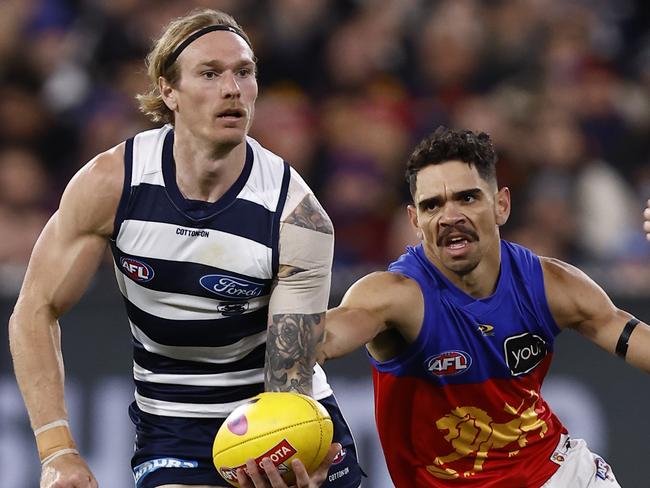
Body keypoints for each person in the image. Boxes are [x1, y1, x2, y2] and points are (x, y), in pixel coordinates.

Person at [8, 8, 363, 488]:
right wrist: (57, 451)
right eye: (210, 74)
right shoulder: (113, 184)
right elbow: (34, 308)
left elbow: (288, 382)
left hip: (282, 419)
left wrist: (291, 458)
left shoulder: (296, 216)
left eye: (244, 72)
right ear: (168, 91)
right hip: (174, 428)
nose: (232, 88)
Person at [319, 126, 650, 487]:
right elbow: (322, 339)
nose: (450, 216)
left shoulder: (549, 284)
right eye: (433, 205)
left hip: (560, 476)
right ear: (415, 221)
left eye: (467, 198)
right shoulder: (395, 295)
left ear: (501, 205)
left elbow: (633, 338)